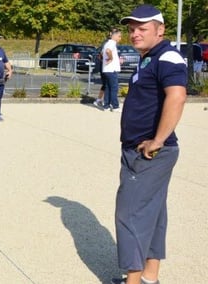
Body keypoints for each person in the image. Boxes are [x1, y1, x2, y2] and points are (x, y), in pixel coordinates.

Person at [113, 4, 188, 284]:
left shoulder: (167, 56)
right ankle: (149, 277)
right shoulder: (148, 58)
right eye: (132, 29)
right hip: (147, 151)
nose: (134, 34)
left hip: (149, 153)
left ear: (161, 29)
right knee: (153, 213)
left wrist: (157, 140)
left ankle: (132, 281)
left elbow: (177, 96)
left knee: (129, 214)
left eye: (142, 28)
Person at [102, 28, 122, 112]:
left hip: (106, 69)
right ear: (114, 36)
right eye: (119, 36)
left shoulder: (106, 43)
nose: (120, 38)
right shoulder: (112, 43)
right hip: (111, 69)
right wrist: (111, 58)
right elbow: (108, 51)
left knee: (108, 88)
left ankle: (106, 106)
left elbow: (103, 52)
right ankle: (115, 106)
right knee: (114, 88)